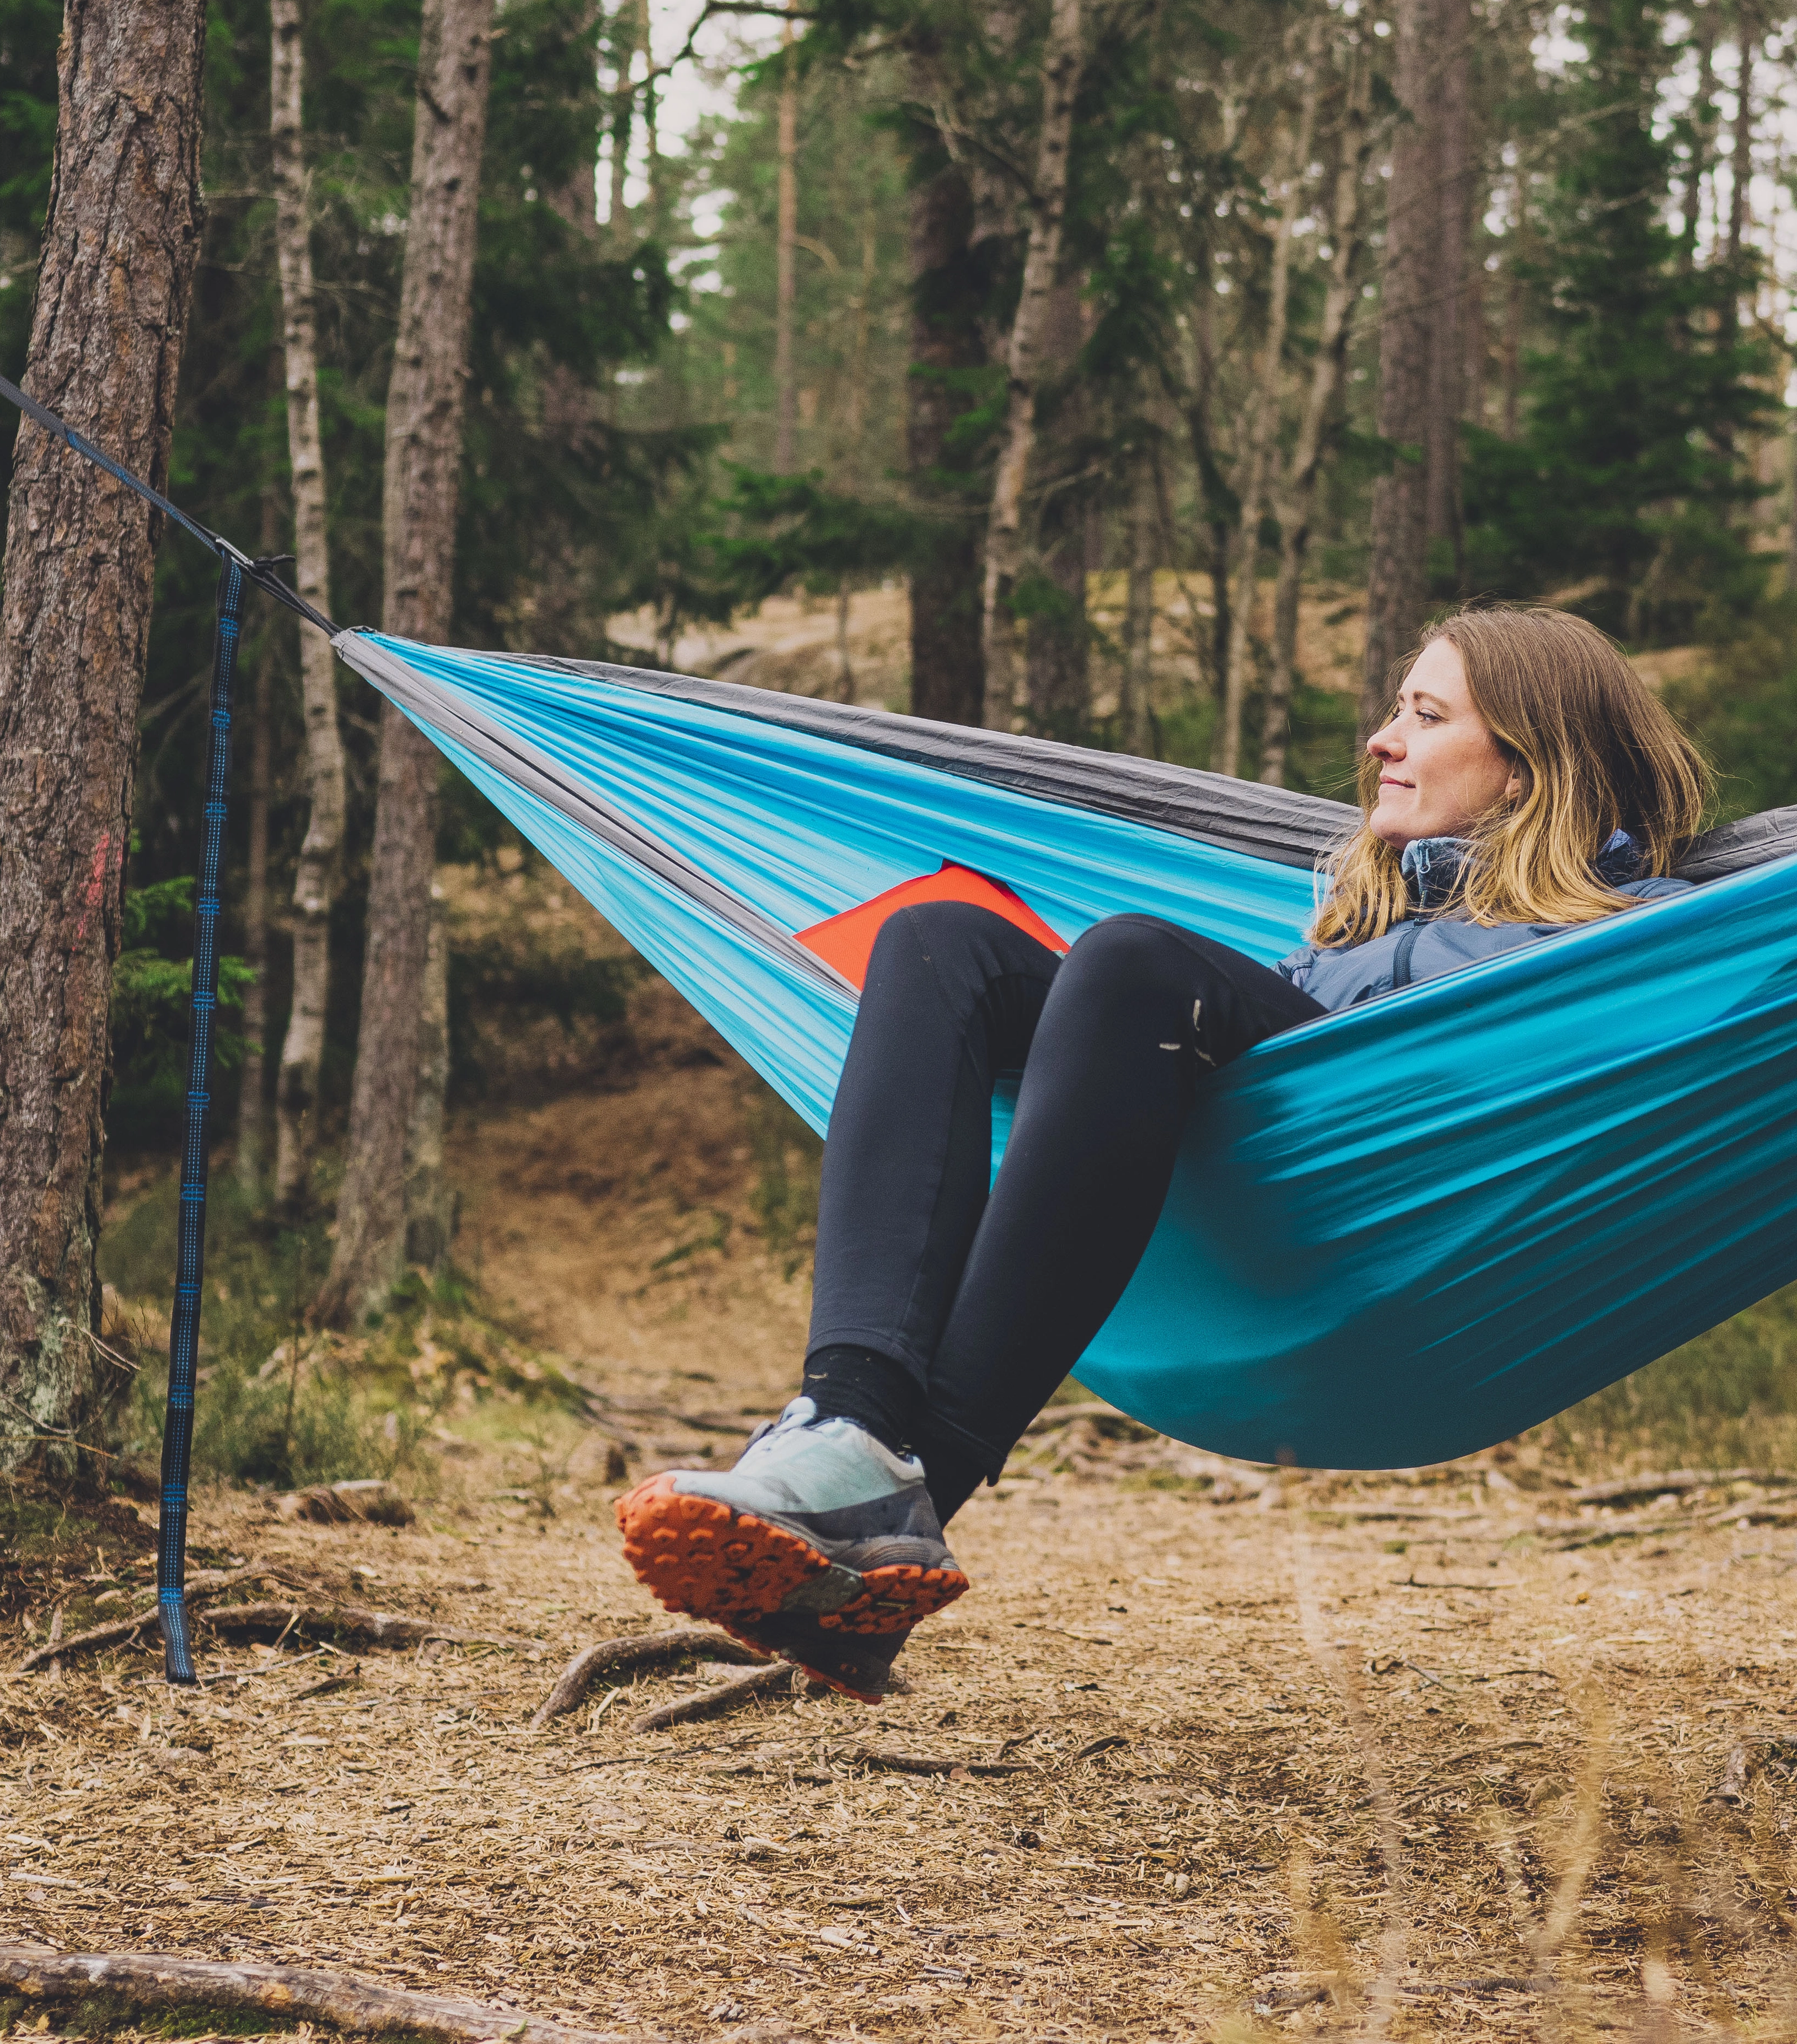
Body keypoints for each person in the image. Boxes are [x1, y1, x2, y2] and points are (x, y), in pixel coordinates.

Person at [615, 607, 1709, 1697]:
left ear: (1525, 766)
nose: (1379, 739)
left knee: (1133, 962)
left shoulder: (1629, 934)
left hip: (1394, 1211)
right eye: (1393, 709)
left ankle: (905, 1494)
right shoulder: (1351, 921)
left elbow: (1658, 1043)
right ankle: (846, 1422)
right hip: (1241, 1165)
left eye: (1423, 716)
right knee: (935, 942)